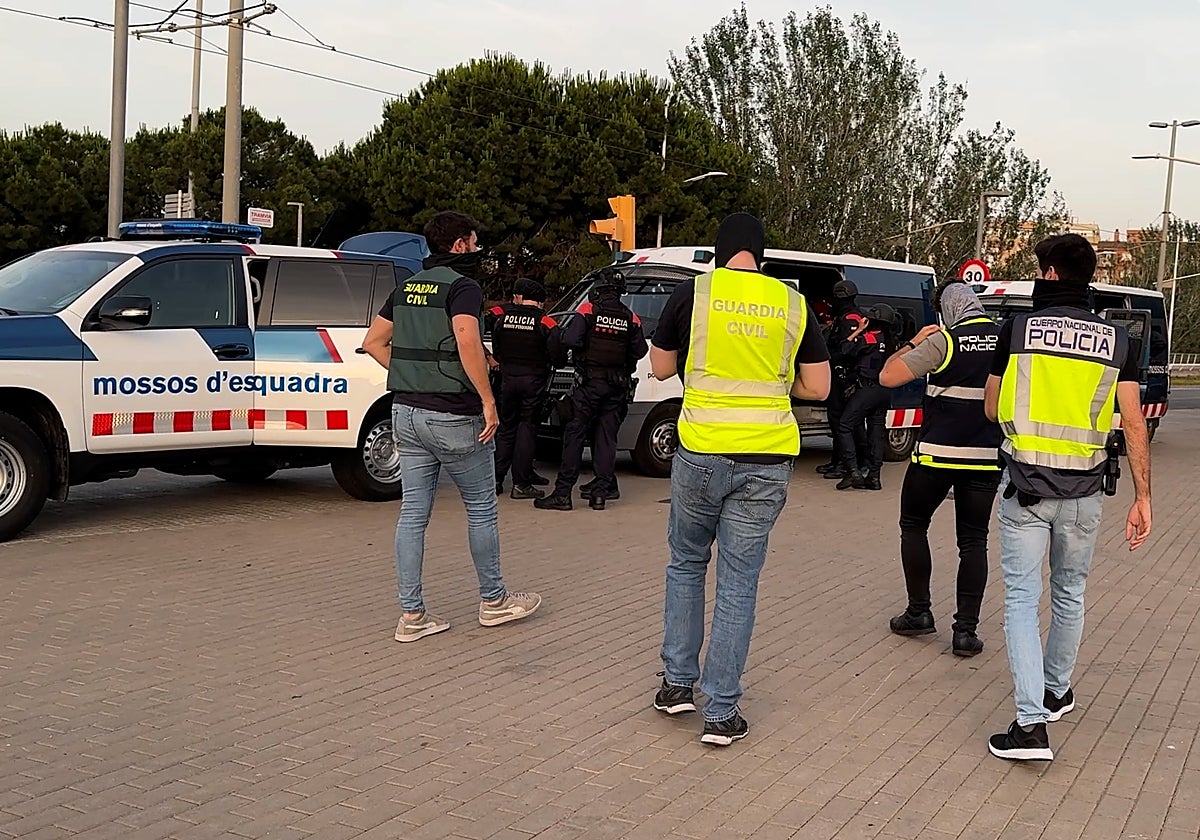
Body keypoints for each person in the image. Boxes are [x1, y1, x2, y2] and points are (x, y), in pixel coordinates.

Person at [648, 213, 831, 746]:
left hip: (701, 451)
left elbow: (660, 369)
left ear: (719, 251)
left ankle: (678, 685)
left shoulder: (694, 294)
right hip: (766, 459)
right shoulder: (792, 304)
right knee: (738, 581)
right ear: (760, 254)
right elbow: (817, 387)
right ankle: (721, 711)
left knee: (686, 565)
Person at [984, 233, 1151, 761]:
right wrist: (1144, 496)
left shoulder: (1017, 330)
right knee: (1069, 594)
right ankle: (1056, 692)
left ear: (1051, 274)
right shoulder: (1118, 341)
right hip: (1085, 493)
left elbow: (991, 410)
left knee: (1019, 599)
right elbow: (1134, 420)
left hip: (1027, 492)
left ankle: (1031, 725)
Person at [361, 211, 542, 643]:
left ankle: (412, 616)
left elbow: (373, 342)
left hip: (405, 413)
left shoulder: (405, 286)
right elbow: (465, 339)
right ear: (460, 245)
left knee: (413, 513)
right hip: (454, 416)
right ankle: (494, 602)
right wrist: (487, 398)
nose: (478, 251)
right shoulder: (464, 287)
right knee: (480, 507)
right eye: (475, 243)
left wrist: (416, 377)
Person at [879, 280, 1002, 657]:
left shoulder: (945, 340)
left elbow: (888, 376)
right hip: (985, 458)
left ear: (946, 309)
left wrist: (917, 340)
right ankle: (965, 633)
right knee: (974, 541)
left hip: (936, 456)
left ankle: (919, 612)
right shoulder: (1006, 339)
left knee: (913, 526)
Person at [535, 269, 647, 511]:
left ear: (599, 290)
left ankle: (563, 493)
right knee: (606, 439)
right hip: (617, 387)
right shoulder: (631, 317)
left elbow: (569, 340)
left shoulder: (588, 311)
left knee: (574, 435)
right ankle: (600, 494)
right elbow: (640, 351)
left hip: (589, 385)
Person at [487, 278, 558, 500]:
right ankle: (521, 483)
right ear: (539, 302)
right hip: (533, 382)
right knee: (527, 429)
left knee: (506, 429)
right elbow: (557, 355)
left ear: (520, 298)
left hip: (507, 381)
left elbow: (496, 351)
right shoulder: (546, 322)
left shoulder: (503, 319)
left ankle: (496, 480)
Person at [833, 304, 894, 490]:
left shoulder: (869, 338)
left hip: (867, 389)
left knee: (844, 426)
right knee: (876, 433)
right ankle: (874, 477)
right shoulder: (891, 341)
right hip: (884, 391)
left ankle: (854, 472)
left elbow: (844, 350)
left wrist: (858, 330)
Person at [817, 280, 868, 480]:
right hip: (840, 375)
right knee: (837, 421)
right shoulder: (844, 317)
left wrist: (830, 357)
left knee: (842, 422)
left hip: (845, 376)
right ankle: (837, 461)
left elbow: (848, 351)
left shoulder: (851, 318)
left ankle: (844, 465)